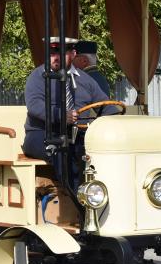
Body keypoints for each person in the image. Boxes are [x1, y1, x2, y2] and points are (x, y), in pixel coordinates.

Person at [22, 38, 119, 190]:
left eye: (60, 53)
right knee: (62, 150)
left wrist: (117, 123)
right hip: (41, 133)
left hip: (76, 134)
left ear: (73, 54)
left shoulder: (86, 80)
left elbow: (106, 107)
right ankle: (79, 201)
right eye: (52, 53)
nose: (55, 57)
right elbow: (34, 105)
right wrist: (61, 116)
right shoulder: (38, 77)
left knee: (99, 150)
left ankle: (106, 193)